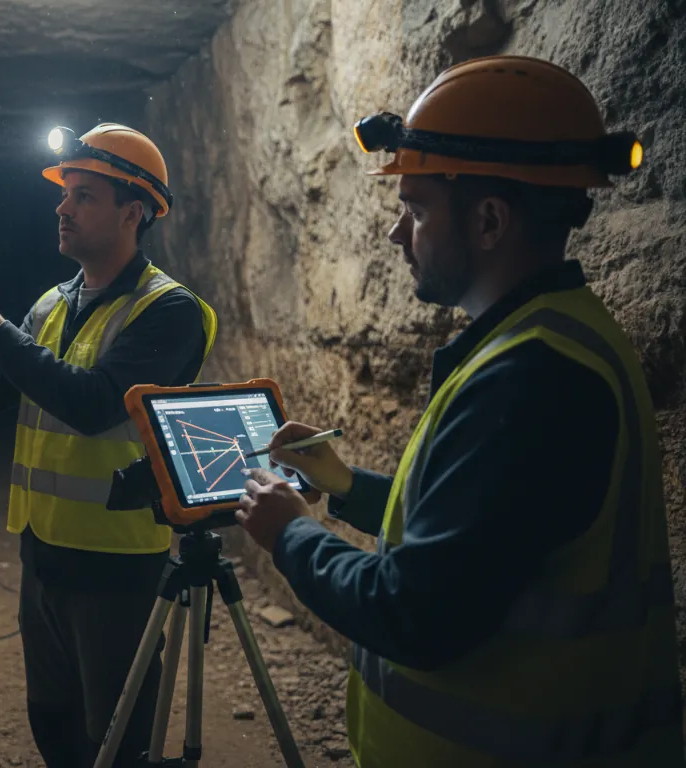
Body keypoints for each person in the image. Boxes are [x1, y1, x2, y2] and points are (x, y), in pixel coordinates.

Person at [235, 55, 683, 767]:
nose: (394, 235)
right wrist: (348, 486)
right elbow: (478, 537)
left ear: (489, 221)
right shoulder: (549, 340)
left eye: (414, 210)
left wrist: (291, 536)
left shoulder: (532, 380)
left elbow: (415, 613)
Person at [0, 123, 218, 766]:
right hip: (44, 553)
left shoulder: (170, 312)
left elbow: (94, 406)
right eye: (65, 194)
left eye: (84, 195)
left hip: (117, 564)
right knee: (52, 720)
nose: (62, 207)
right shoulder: (52, 305)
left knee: (118, 732)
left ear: (133, 212)